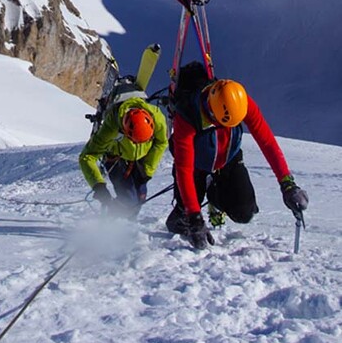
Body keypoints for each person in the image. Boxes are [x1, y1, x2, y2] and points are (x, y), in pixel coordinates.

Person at [166, 61, 309, 249]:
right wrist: (194, 218)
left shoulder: (240, 102)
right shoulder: (188, 115)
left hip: (227, 160)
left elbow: (266, 142)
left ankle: (214, 197)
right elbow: (183, 169)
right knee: (181, 221)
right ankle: (186, 209)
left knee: (245, 212)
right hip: (195, 166)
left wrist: (287, 184)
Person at [79, 87, 168, 217]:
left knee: (140, 199)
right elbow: (87, 156)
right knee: (129, 201)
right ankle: (113, 224)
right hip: (116, 159)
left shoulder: (157, 117)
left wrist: (147, 170)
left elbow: (161, 142)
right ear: (124, 132)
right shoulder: (111, 126)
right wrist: (98, 186)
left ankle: (120, 220)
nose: (137, 143)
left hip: (140, 160)